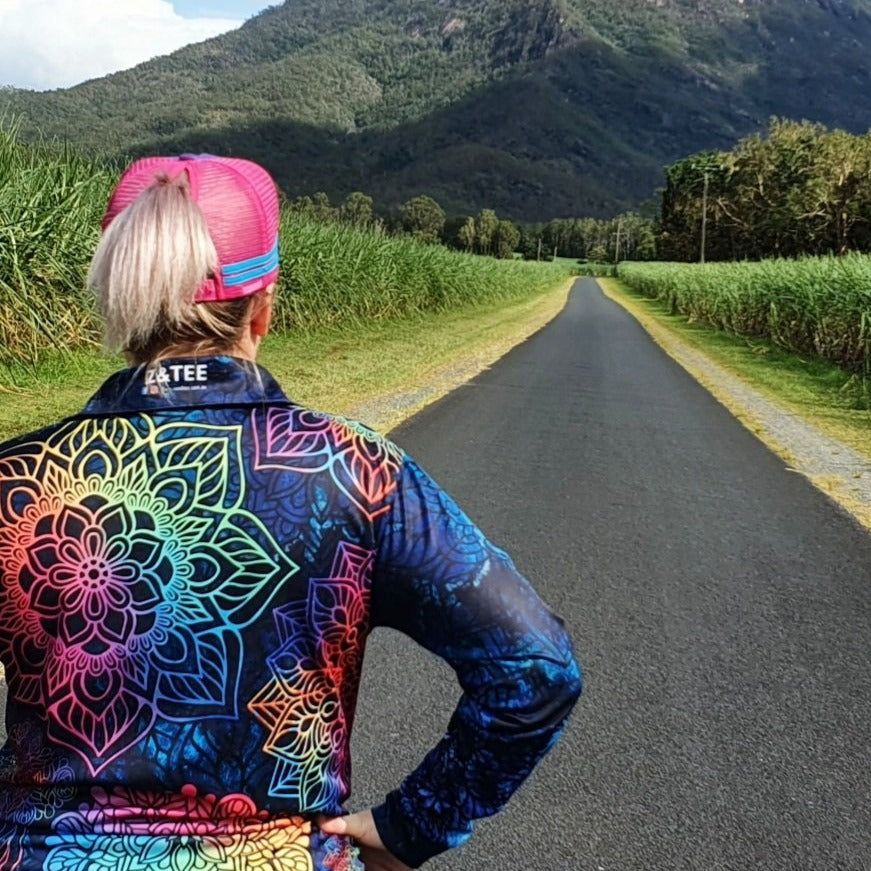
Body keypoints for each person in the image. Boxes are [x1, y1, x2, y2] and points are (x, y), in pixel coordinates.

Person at [0, 154, 581, 870]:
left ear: (119, 302)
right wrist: (412, 825)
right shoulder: (357, 474)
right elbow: (536, 666)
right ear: (264, 307)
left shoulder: (17, 478)